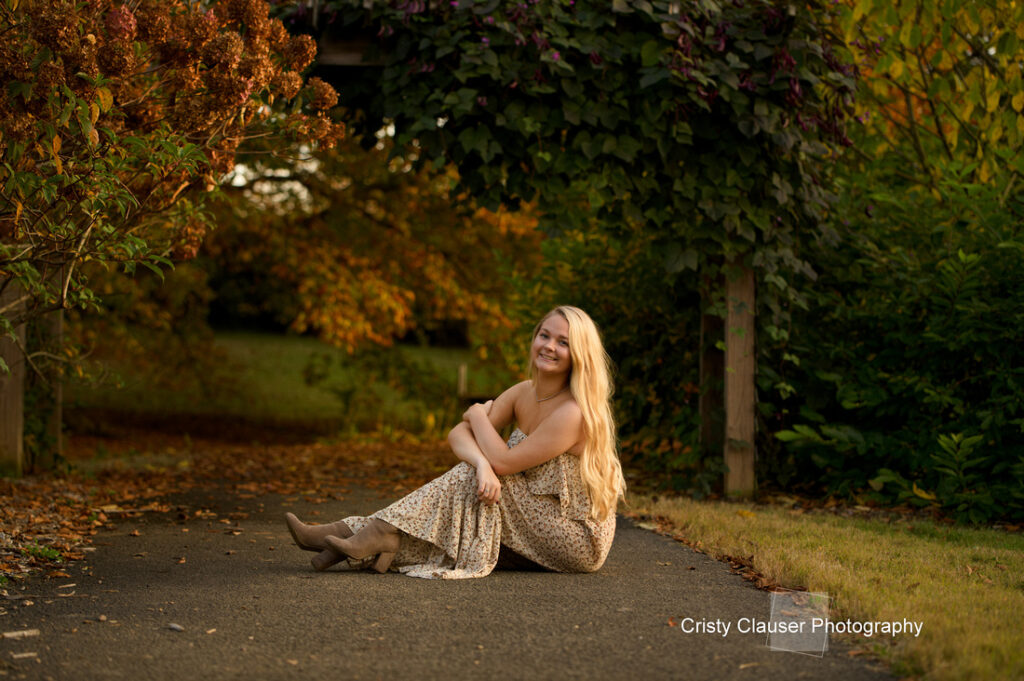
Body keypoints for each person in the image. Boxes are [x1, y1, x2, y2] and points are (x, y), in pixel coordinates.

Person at [284, 305, 626, 579]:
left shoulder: (573, 412)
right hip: (529, 520)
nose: (549, 346)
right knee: (457, 521)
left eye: (563, 342)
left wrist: (476, 416)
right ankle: (353, 538)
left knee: (474, 481)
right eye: (544, 335)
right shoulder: (524, 392)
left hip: (575, 538)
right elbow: (457, 435)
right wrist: (481, 465)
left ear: (579, 353)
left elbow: (503, 462)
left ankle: (371, 530)